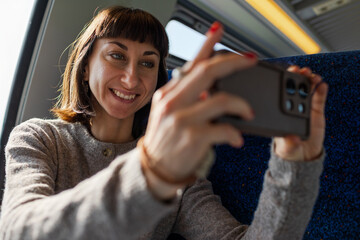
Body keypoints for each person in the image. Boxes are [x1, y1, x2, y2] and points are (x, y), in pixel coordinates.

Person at [0, 5, 328, 240]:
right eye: (117, 55)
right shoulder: (39, 138)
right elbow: (18, 230)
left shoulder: (180, 165)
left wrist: (293, 162)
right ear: (86, 67)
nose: (131, 78)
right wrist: (149, 173)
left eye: (147, 63)